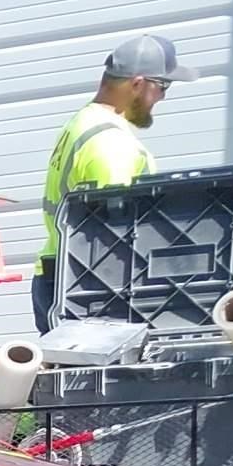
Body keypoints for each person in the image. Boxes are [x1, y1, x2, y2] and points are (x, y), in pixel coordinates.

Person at [35, 32, 196, 330]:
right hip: (89, 292)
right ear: (137, 84)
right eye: (163, 86)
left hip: (62, 276)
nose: (163, 96)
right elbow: (114, 238)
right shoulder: (111, 143)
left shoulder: (82, 122)